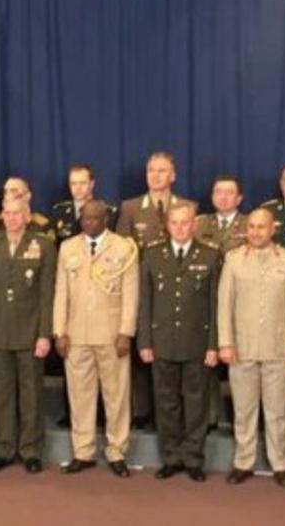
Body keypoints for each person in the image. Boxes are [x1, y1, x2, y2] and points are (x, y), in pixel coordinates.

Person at [218, 207, 285, 487]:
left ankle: (280, 463)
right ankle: (243, 462)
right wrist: (225, 342)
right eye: (252, 227)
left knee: (277, 412)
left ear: (273, 229)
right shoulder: (234, 260)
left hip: (277, 347)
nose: (256, 232)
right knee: (243, 411)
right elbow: (224, 305)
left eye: (262, 227)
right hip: (241, 348)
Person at [55, 200, 139, 478]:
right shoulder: (68, 247)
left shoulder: (123, 248)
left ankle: (117, 450)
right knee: (80, 396)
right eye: (84, 218)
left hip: (111, 334)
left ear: (106, 219)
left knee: (116, 396)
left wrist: (126, 331)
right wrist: (59, 330)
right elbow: (61, 293)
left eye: (94, 218)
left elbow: (131, 294)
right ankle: (83, 450)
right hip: (77, 333)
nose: (88, 223)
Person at [138, 201, 220, 481]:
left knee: (196, 404)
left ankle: (194, 458)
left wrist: (213, 344)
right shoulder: (152, 255)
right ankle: (171, 457)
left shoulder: (210, 255)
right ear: (167, 226)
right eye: (175, 223)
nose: (180, 228)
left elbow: (215, 305)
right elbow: (145, 301)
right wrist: (145, 342)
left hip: (196, 342)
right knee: (166, 403)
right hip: (162, 341)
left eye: (185, 223)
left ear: (194, 225)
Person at [116, 152, 194, 428]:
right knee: (143, 349)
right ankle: (142, 409)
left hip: (177, 291)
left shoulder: (188, 207)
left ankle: (177, 411)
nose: (156, 175)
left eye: (162, 170)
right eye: (151, 170)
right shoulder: (130, 208)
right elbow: (122, 253)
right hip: (142, 288)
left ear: (173, 175)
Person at [0, 196, 56, 473]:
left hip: (30, 328)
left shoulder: (43, 245)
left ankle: (31, 450)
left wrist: (45, 334)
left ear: (27, 216)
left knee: (30, 393)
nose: (11, 218)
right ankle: (4, 448)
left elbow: (47, 294)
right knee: (2, 393)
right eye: (7, 213)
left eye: (17, 213)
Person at [52, 164, 117, 244]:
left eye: (82, 183)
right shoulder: (59, 211)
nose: (78, 188)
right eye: (73, 183)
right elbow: (53, 244)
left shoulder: (107, 211)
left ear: (92, 184)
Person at [194, 175, 247, 253]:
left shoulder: (249, 223)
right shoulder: (199, 223)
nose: (223, 197)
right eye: (218, 192)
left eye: (229, 193)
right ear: (212, 197)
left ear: (239, 199)